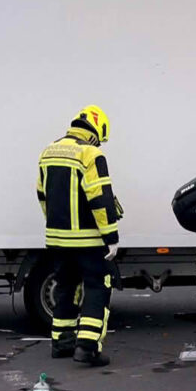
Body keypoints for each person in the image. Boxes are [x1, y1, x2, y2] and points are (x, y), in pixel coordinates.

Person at [37, 105, 122, 367]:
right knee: (97, 287)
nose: (100, 144)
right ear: (96, 131)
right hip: (88, 240)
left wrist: (56, 226)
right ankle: (87, 348)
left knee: (66, 287)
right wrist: (111, 236)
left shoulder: (48, 151)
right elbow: (100, 198)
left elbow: (42, 195)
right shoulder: (90, 153)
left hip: (57, 239)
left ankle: (61, 343)